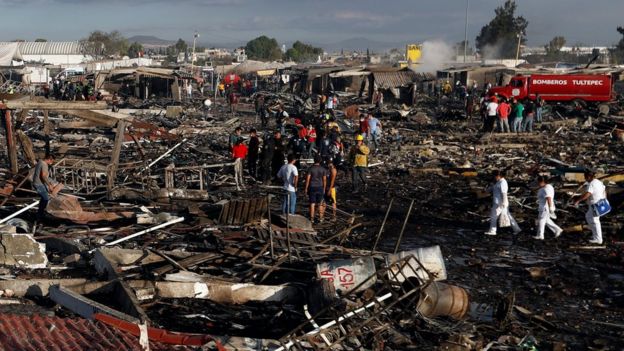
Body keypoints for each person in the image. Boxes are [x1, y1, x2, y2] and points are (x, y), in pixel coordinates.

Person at [573, 170, 607, 244]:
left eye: (585, 177)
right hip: (600, 203)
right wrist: (604, 199)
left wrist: (578, 200)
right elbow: (604, 190)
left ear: (588, 176)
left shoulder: (591, 184)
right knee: (588, 216)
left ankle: (598, 239)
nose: (585, 179)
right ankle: (595, 235)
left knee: (595, 221)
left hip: (595, 205)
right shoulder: (599, 182)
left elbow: (588, 194)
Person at [485, 170, 521, 236]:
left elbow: (504, 193)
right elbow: (490, 189)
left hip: (500, 203)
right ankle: (517, 229)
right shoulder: (498, 182)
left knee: (493, 216)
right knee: (508, 216)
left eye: (495, 176)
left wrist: (504, 202)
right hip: (498, 202)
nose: (494, 177)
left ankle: (493, 231)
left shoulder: (503, 182)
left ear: (498, 176)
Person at [534, 176, 563, 240]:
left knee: (542, 220)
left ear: (541, 181)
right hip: (543, 206)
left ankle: (540, 235)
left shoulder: (546, 188)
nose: (537, 183)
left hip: (545, 207)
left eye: (538, 182)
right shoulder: (546, 187)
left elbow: (548, 198)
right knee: (546, 220)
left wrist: (551, 208)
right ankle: (557, 229)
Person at [304, 156, 328, 223]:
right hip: (320, 187)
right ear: (320, 161)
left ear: (314, 160)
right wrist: (324, 188)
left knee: (312, 203)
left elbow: (308, 180)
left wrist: (306, 188)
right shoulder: (323, 169)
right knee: (320, 203)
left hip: (312, 187)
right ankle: (321, 218)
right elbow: (324, 180)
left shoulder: (311, 169)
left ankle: (312, 219)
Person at [32, 153, 55, 221]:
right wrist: (49, 185)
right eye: (52, 161)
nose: (52, 163)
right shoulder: (44, 164)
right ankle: (40, 215)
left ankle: (41, 213)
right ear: (49, 159)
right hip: (39, 184)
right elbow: (44, 176)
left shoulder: (40, 162)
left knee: (44, 198)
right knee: (45, 198)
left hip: (39, 183)